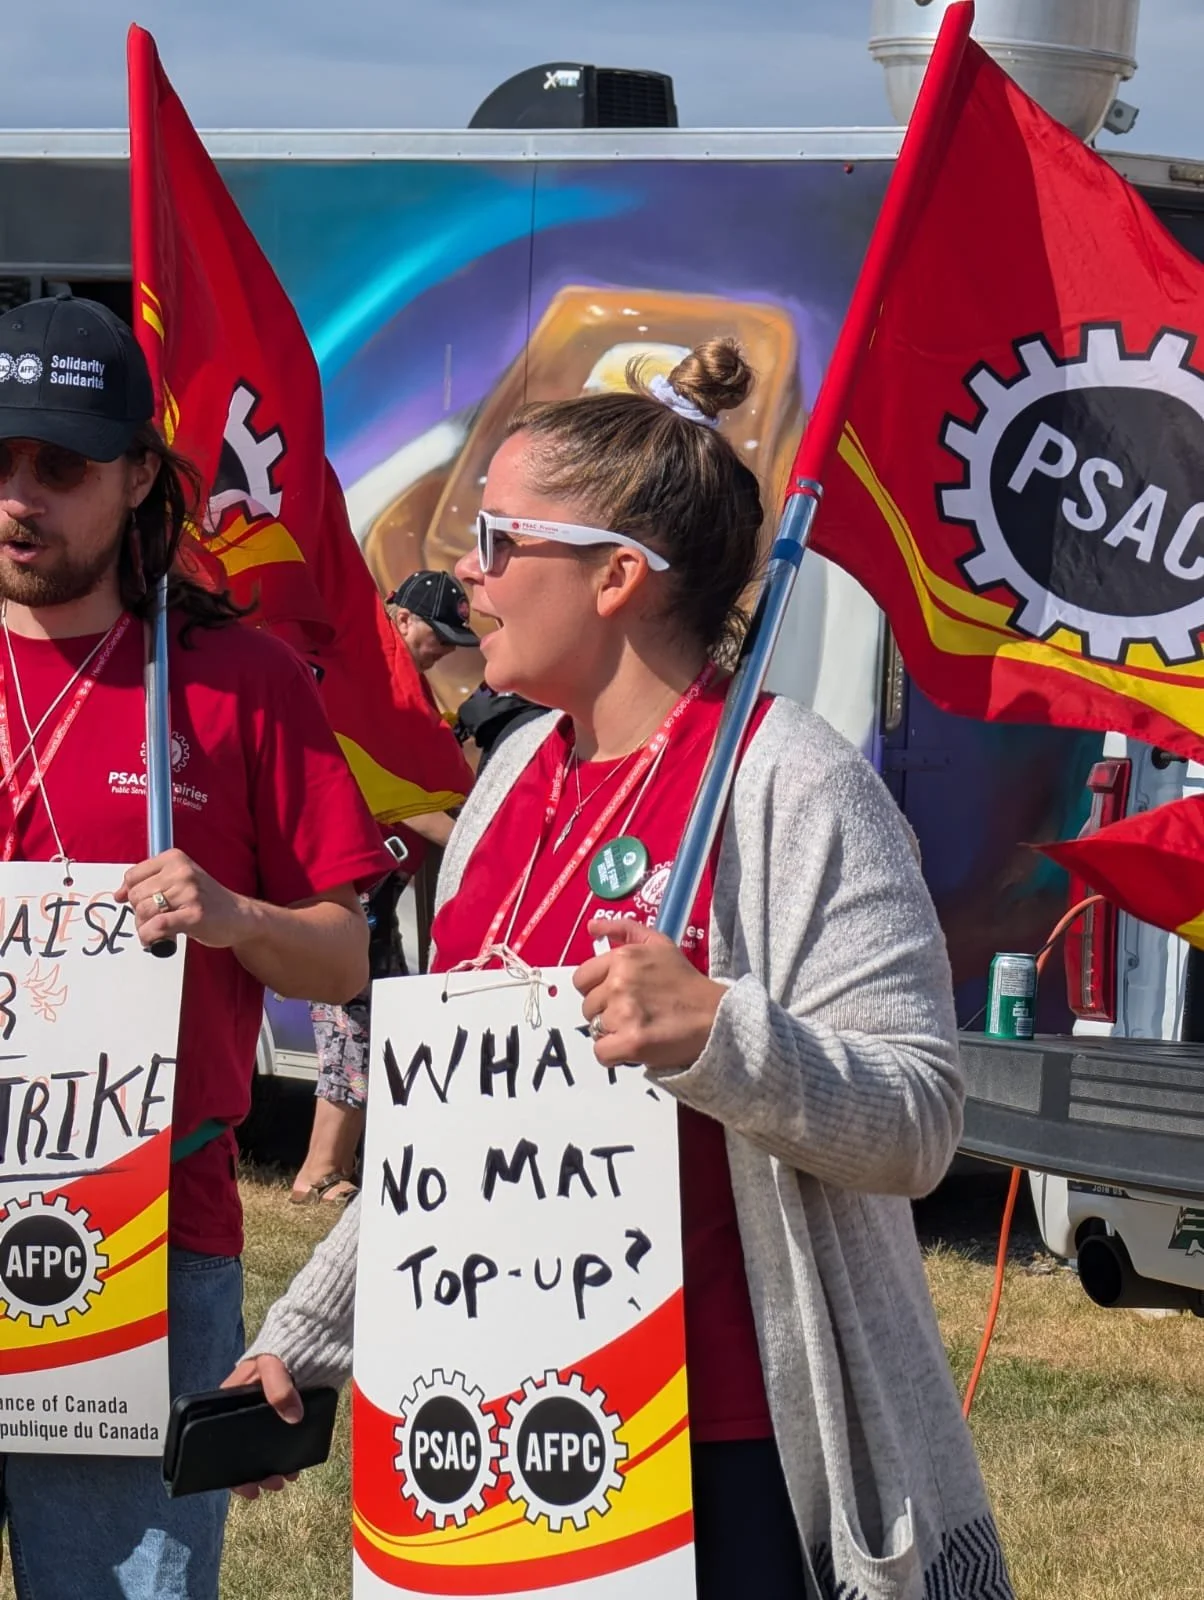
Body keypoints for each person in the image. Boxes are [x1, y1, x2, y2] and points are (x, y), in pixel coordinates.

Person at [231, 339, 1014, 1599]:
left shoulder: (790, 785)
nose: (462, 578)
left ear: (614, 577)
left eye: (496, 540)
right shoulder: (500, 797)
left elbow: (918, 1120)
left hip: (731, 1457)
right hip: (495, 1438)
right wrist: (308, 1339)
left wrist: (720, 1034)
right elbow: (458, 1141)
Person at [0, 291, 391, 1599]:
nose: (19, 495)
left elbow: (345, 957)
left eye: (58, 466)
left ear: (136, 480)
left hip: (145, 1241)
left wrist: (235, 917)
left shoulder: (235, 676)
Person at [290, 569, 478, 1204]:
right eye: (438, 635)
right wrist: (472, 838)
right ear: (399, 620)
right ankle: (319, 1172)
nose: (445, 650)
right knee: (352, 1024)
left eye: (456, 639)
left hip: (384, 894)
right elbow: (396, 801)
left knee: (383, 1022)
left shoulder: (410, 700)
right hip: (347, 891)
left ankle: (344, 1166)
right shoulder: (365, 693)